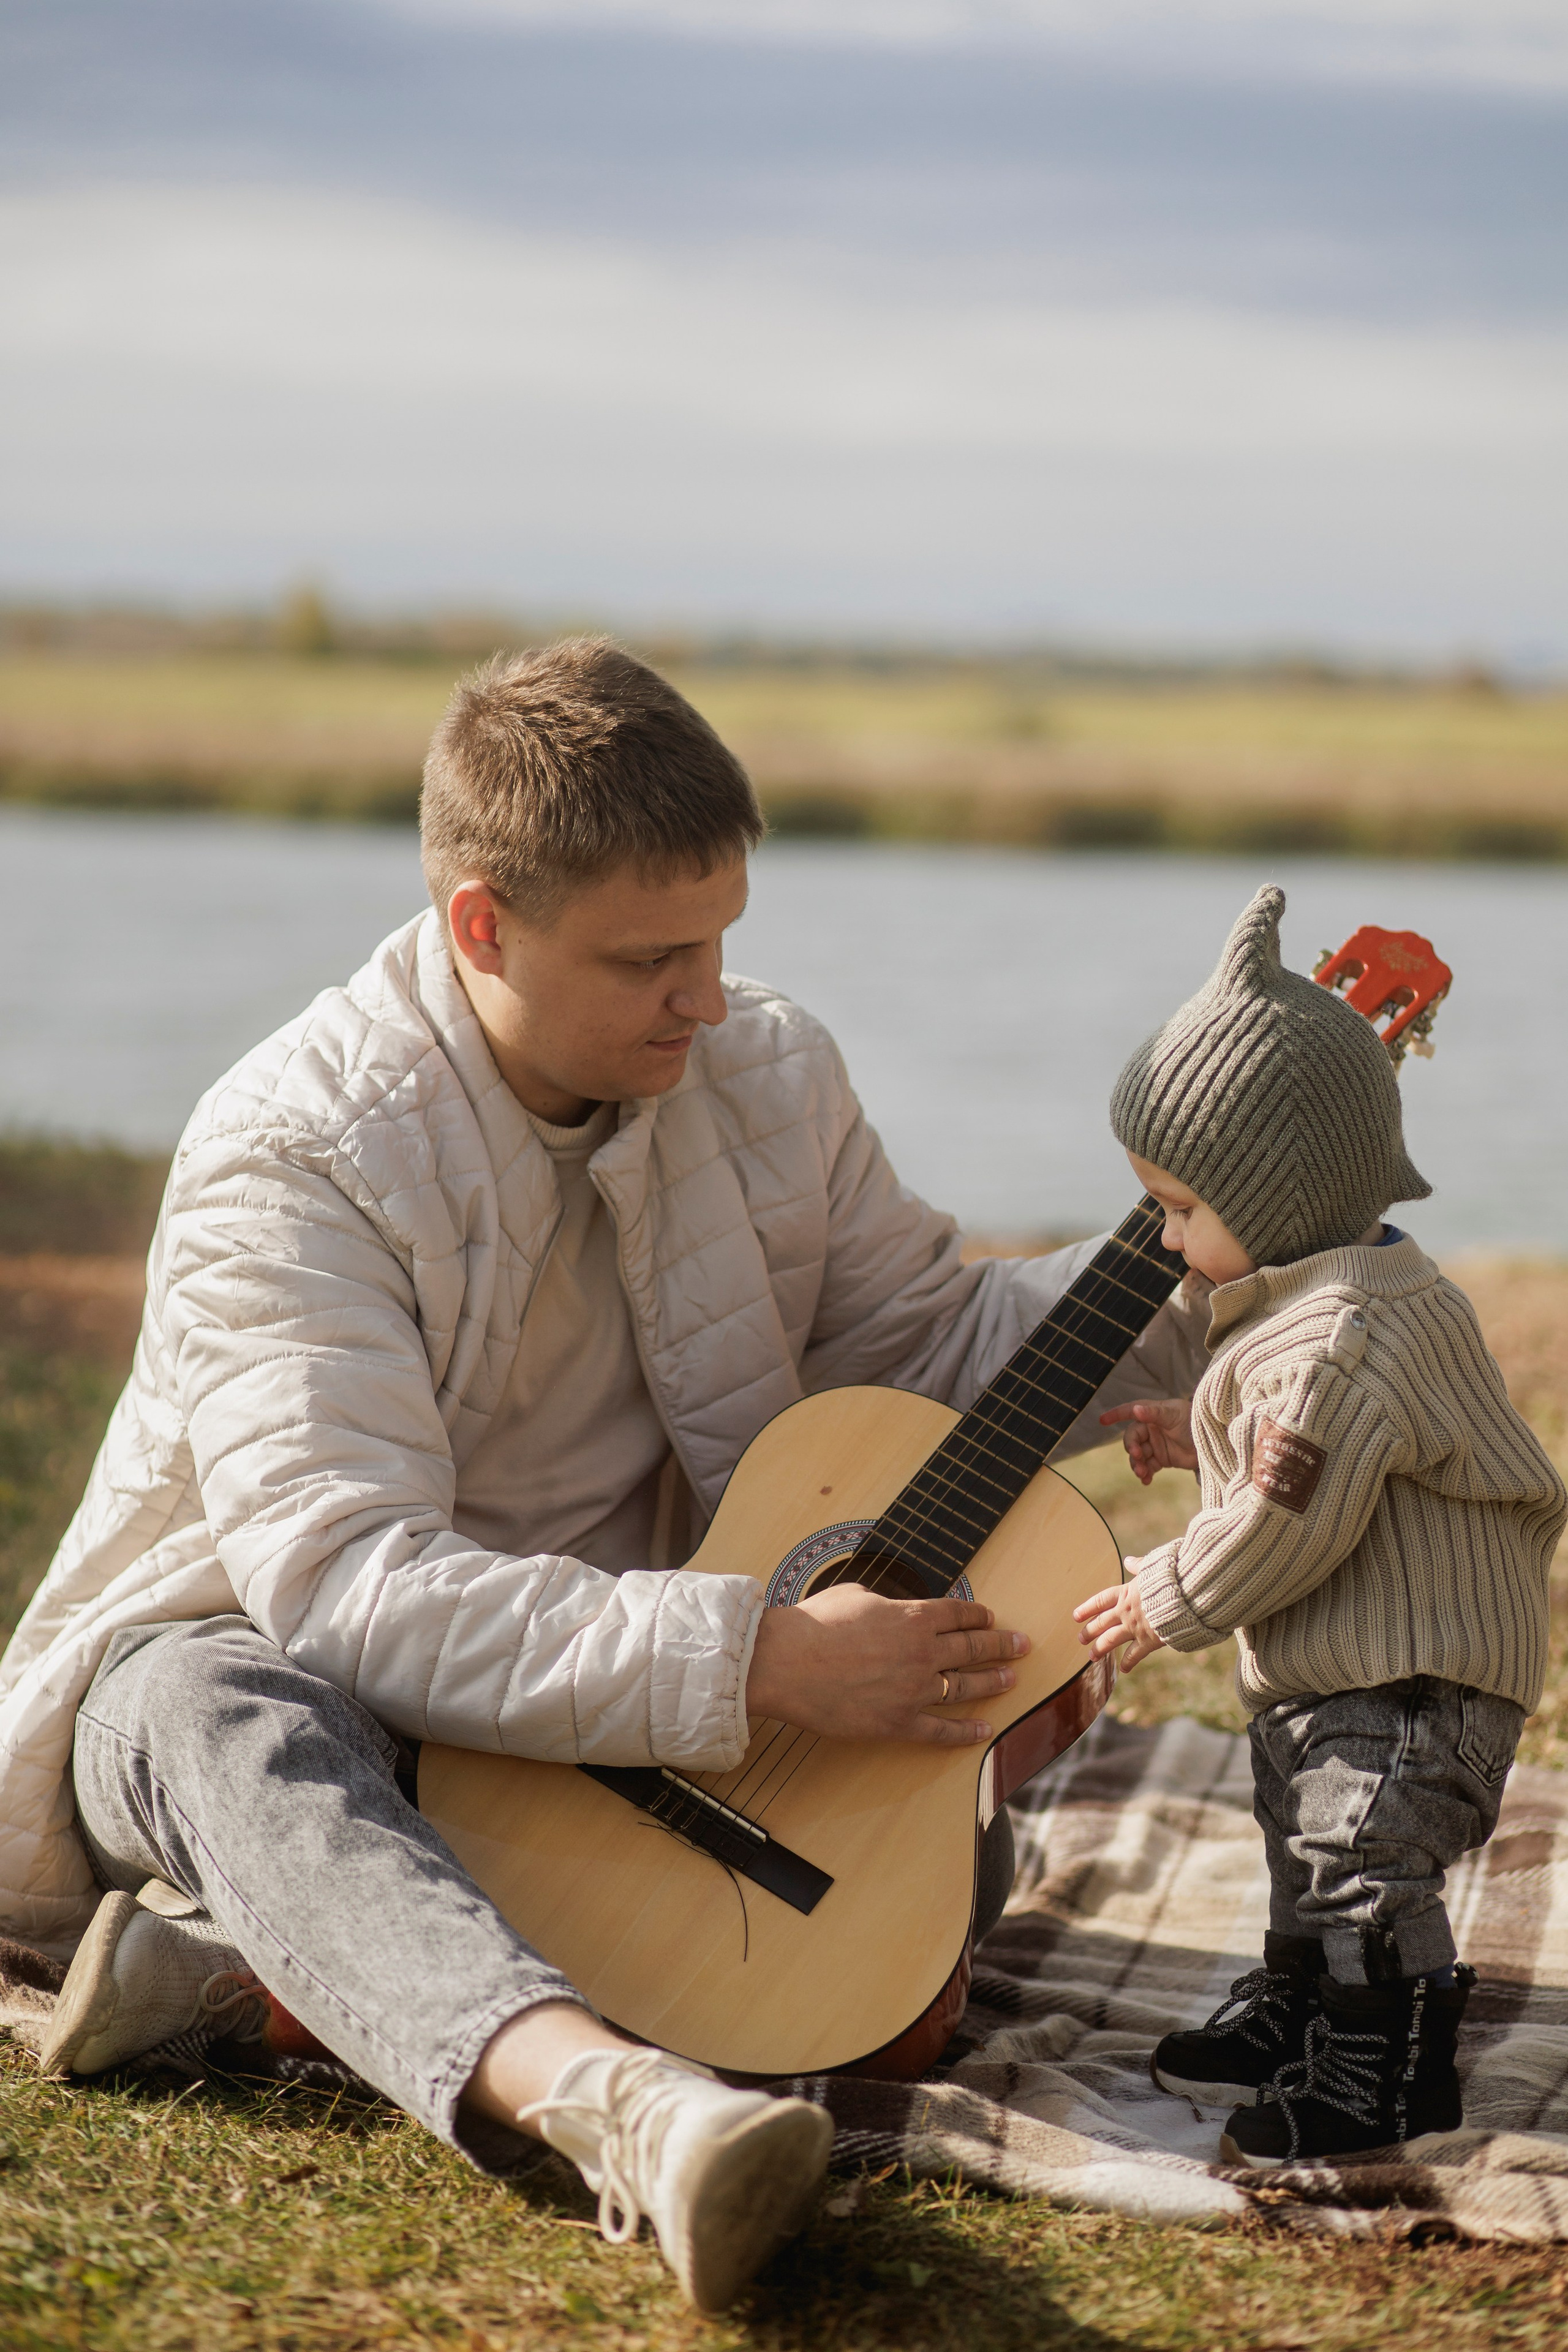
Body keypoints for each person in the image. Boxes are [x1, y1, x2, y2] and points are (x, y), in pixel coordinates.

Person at [0, 641, 1210, 2311]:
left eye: (719, 939)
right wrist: (762, 1659)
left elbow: (931, 1346)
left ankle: (236, 1992)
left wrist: (1218, 1260)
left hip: (629, 1735)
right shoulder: (287, 1154)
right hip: (280, 1675)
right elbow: (349, 1592)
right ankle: (631, 2112)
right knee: (226, 1711)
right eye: (652, 961)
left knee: (918, 1887)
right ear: (481, 924)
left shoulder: (769, 1070)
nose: (707, 1001)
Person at [1075, 884, 1566, 2168]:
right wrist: (1202, 1437)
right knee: (1303, 1843)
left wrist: (1157, 1597)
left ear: (1280, 1193)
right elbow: (1305, 1466)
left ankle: (1381, 2071)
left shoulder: (1343, 1337)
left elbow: (1288, 1524)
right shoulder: (1318, 1310)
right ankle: (1301, 2007)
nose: (1166, 1241)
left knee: (1359, 1863)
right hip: (1339, 1669)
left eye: (1179, 1210)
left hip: (1414, 1681)